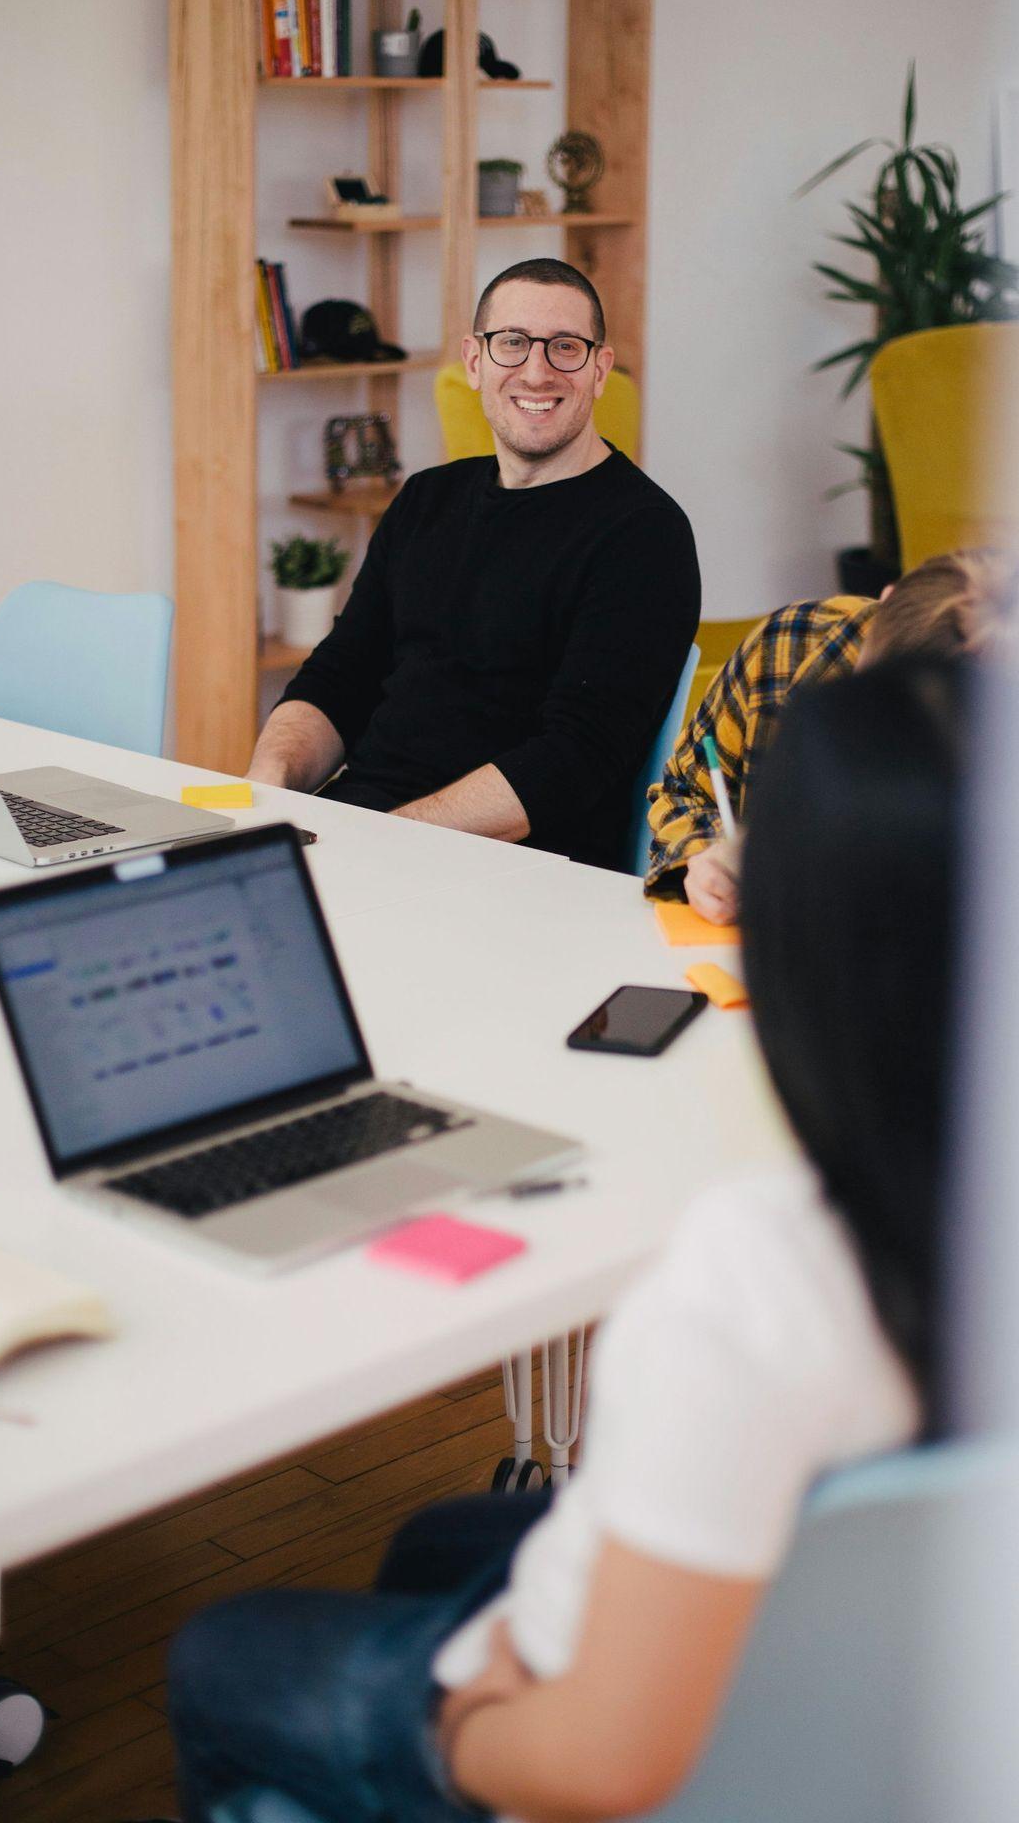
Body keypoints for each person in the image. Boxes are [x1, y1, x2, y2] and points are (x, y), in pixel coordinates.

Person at [157, 655, 962, 1823]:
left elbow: (603, 1765)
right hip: (884, 1673)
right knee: (437, 1540)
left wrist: (465, 1721)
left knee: (221, 1649)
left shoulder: (760, 1273)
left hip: (603, 1720)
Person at [248, 258, 700, 870]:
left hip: (513, 870)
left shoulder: (644, 535)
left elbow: (573, 758)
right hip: (364, 838)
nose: (535, 372)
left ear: (599, 370)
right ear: (474, 361)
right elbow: (339, 677)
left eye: (564, 347)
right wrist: (264, 792)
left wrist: (378, 837)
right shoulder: (425, 500)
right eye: (511, 344)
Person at [646, 545, 1016, 922]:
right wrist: (703, 858)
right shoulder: (790, 646)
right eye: (872, 694)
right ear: (884, 601)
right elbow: (685, 790)